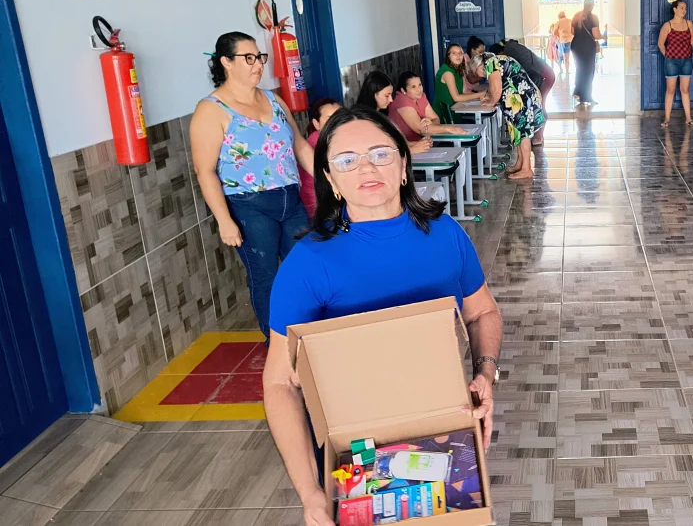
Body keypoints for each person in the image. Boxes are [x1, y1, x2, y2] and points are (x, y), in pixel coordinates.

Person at [263, 106, 502, 525]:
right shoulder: (309, 263)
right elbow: (280, 382)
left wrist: (485, 371)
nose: (366, 168)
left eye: (380, 153)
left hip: (446, 431)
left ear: (404, 164)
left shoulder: (445, 234)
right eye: (346, 160)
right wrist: (310, 492)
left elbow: (482, 311)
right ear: (330, 179)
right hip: (357, 451)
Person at [189, 32, 314, 340]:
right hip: (249, 206)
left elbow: (299, 144)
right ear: (226, 62)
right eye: (248, 58)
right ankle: (278, 346)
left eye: (259, 57)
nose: (258, 64)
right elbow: (205, 171)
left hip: (290, 199)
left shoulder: (274, 99)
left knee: (305, 268)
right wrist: (224, 221)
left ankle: (310, 336)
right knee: (266, 277)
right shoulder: (212, 110)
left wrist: (332, 181)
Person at [470, 52, 546, 179]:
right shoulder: (495, 61)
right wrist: (490, 98)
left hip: (524, 99)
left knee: (523, 134)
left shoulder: (491, 64)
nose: (480, 76)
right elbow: (498, 87)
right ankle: (520, 163)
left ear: (479, 67)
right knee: (517, 133)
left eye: (476, 72)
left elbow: (497, 90)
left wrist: (491, 102)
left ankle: (526, 169)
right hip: (519, 99)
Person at [492, 39, 554, 145]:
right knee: (537, 104)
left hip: (543, 75)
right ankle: (537, 135)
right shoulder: (511, 48)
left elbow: (525, 69)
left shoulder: (510, 50)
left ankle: (538, 137)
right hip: (542, 74)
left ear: (499, 54)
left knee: (539, 105)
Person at [389, 71, 467, 144]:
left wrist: (431, 122)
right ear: (403, 90)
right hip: (404, 147)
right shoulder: (402, 101)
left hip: (420, 143)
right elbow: (420, 129)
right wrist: (448, 129)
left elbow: (436, 119)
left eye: (420, 85)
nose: (418, 90)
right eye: (413, 87)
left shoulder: (420, 97)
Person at [658, 0, 693, 127]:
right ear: (674, 9)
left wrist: (683, 52)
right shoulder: (668, 25)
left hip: (686, 61)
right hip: (671, 62)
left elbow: (692, 41)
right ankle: (667, 119)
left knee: (685, 89)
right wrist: (669, 56)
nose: (684, 10)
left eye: (685, 8)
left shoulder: (689, 24)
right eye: (681, 8)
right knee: (670, 90)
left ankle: (688, 118)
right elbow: (660, 44)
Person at [302, 98, 342, 217]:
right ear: (316, 124)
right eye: (329, 118)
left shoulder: (334, 139)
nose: (337, 121)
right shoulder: (317, 144)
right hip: (321, 209)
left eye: (340, 116)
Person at [433, 43, 487, 125]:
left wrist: (482, 97)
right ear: (448, 56)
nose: (458, 56)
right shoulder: (447, 72)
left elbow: (464, 92)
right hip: (444, 114)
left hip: (456, 108)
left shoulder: (459, 69)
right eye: (454, 53)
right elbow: (456, 98)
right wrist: (480, 94)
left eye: (460, 53)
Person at [570, 0, 602, 105]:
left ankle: (578, 92)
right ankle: (586, 96)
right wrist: (604, 37)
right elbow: (596, 35)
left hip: (576, 46)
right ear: (592, 5)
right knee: (588, 71)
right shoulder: (593, 18)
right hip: (587, 47)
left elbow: (572, 32)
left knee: (580, 69)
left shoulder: (576, 16)